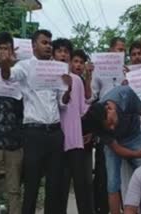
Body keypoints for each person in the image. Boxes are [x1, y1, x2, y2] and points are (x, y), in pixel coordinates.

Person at [0, 29, 72, 214]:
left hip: (55, 133)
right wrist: (5, 65)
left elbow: (62, 103)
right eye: (44, 42)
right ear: (33, 46)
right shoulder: (25, 66)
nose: (49, 46)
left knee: (54, 186)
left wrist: (68, 88)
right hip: (34, 134)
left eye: (50, 43)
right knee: (31, 185)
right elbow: (8, 76)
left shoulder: (57, 68)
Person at [82, 85, 141, 214]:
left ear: (109, 108)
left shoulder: (125, 95)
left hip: (134, 137)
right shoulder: (98, 120)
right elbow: (116, 149)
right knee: (112, 183)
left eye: (111, 122)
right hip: (114, 144)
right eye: (108, 127)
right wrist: (138, 154)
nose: (111, 128)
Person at [52, 38, 94, 214]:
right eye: (59, 51)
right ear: (54, 54)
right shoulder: (48, 78)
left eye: (66, 52)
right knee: (59, 189)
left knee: (81, 187)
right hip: (56, 141)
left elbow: (84, 109)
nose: (63, 54)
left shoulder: (76, 80)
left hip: (75, 142)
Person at [0, 32, 23, 214]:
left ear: (13, 52)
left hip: (14, 143)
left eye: (6, 48)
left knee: (14, 191)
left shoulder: (20, 78)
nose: (3, 52)